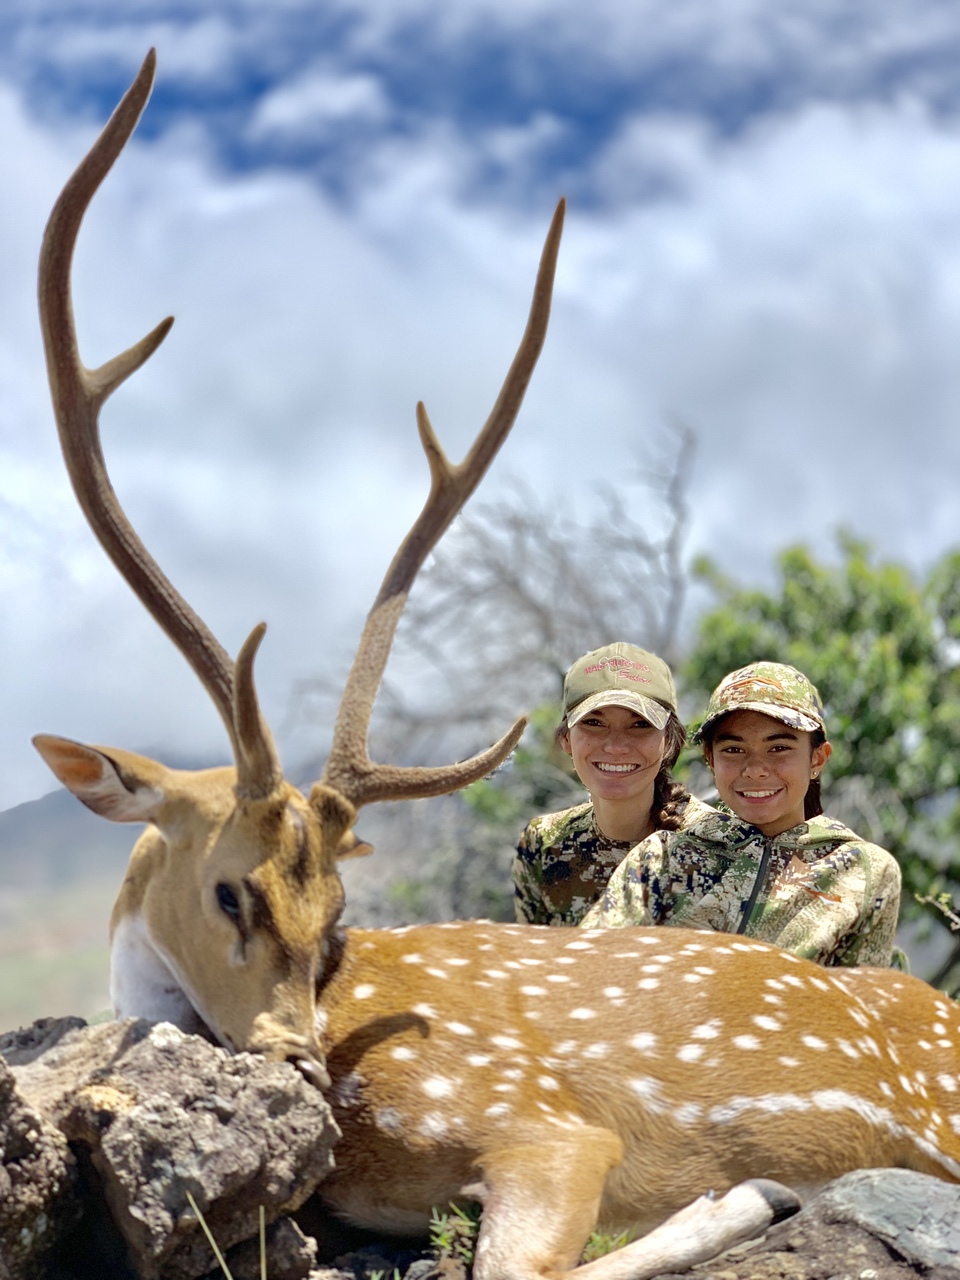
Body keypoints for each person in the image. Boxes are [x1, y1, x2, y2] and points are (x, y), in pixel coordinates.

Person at [581, 661, 902, 967]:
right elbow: (588, 966)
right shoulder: (663, 857)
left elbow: (859, 1005)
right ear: (710, 759)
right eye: (733, 750)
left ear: (817, 758)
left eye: (779, 748)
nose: (755, 770)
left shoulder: (863, 872)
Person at [512, 642, 715, 924]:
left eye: (640, 724)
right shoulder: (543, 845)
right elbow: (537, 963)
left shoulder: (717, 844)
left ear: (668, 740)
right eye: (594, 723)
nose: (616, 746)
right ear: (566, 739)